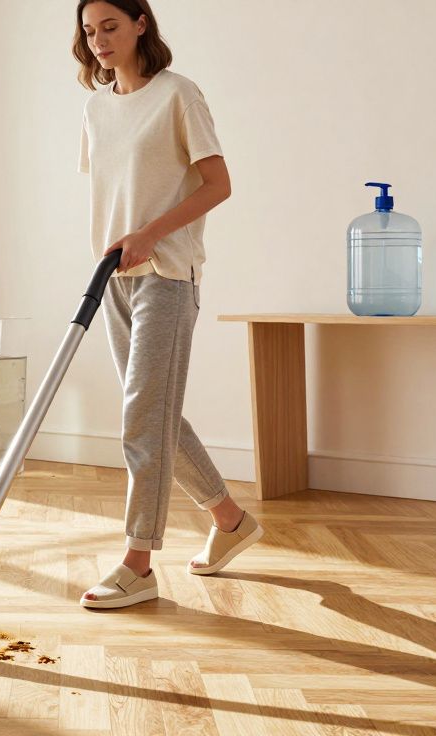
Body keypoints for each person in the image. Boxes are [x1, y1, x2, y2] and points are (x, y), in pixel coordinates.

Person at [74, 0, 264, 609]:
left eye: (109, 26)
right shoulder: (97, 107)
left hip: (168, 275)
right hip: (115, 277)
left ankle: (138, 563)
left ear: (139, 25)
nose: (99, 39)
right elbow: (111, 192)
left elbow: (218, 183)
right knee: (156, 415)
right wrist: (116, 247)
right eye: (88, 31)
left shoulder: (178, 95)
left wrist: (151, 234)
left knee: (142, 416)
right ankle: (232, 521)